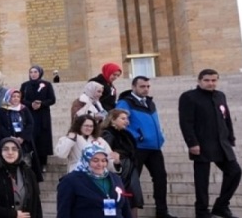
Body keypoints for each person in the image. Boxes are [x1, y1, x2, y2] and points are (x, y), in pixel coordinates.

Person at [178, 69, 242, 218]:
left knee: (235, 172)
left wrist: (230, 137)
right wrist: (192, 143)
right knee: (202, 181)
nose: (210, 83)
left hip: (222, 143)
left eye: (214, 80)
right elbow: (186, 122)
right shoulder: (189, 97)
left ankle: (221, 205)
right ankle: (201, 211)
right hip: (201, 144)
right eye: (207, 80)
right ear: (199, 81)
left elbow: (226, 118)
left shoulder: (220, 96)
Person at [116, 76, 176, 218]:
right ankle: (126, 211)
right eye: (142, 86)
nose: (146, 89)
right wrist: (137, 136)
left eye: (148, 86)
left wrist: (160, 137)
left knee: (160, 177)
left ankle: (162, 211)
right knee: (132, 180)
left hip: (154, 148)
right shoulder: (125, 102)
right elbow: (120, 122)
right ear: (134, 87)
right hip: (137, 147)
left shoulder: (150, 102)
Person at [57, 144, 130, 218]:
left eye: (103, 160)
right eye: (95, 160)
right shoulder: (71, 180)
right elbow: (63, 211)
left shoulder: (115, 178)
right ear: (86, 160)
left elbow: (125, 208)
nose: (100, 164)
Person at [0, 137, 43, 218]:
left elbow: (36, 203)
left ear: (19, 152)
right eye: (5, 149)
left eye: (14, 149)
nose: (10, 152)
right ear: (0, 151)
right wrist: (12, 214)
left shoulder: (28, 172)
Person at [102, 109, 143, 215]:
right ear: (113, 120)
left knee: (132, 200)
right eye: (123, 118)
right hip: (119, 171)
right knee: (117, 199)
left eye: (127, 118)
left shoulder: (126, 134)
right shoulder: (108, 134)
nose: (127, 121)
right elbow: (106, 153)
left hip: (129, 171)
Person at [0, 89, 42, 178]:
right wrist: (10, 138)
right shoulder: (2, 110)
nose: (16, 99)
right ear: (8, 97)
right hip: (7, 140)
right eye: (13, 97)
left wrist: (22, 137)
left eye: (18, 97)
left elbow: (30, 123)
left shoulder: (24, 109)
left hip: (23, 143)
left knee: (25, 166)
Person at [19, 65, 55, 169]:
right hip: (29, 114)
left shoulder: (47, 85)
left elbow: (52, 99)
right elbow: (21, 99)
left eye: (35, 72)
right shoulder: (25, 85)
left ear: (40, 73)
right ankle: (32, 162)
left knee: (43, 139)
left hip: (43, 115)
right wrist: (31, 104)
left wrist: (41, 103)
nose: (33, 74)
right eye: (31, 72)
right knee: (31, 137)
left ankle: (43, 163)